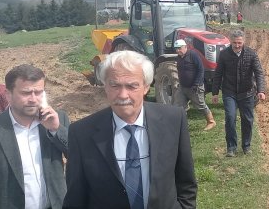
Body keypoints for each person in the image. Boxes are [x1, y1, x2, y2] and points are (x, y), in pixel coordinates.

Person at [63, 50, 197, 209]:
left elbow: (186, 183)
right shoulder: (81, 133)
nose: (123, 95)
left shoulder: (173, 120)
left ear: (146, 87)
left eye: (132, 86)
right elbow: (75, 197)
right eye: (114, 85)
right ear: (105, 86)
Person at [0, 64, 69, 209]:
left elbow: (80, 157)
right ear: (8, 95)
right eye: (26, 93)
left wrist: (56, 129)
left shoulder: (58, 119)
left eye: (38, 92)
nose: (33, 99)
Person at [211, 29, 266, 157]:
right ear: (231, 41)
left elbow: (259, 73)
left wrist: (261, 90)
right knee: (230, 118)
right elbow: (218, 73)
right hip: (229, 92)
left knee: (247, 120)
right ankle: (231, 147)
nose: (237, 45)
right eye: (235, 42)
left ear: (243, 41)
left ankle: (246, 146)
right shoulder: (224, 54)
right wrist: (214, 93)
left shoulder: (251, 54)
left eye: (239, 43)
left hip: (246, 92)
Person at [173, 39, 216, 131]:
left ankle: (211, 122)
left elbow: (201, 69)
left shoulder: (193, 55)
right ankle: (182, 125)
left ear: (185, 47)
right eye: (176, 49)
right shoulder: (179, 58)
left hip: (194, 87)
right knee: (178, 106)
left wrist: (197, 84)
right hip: (183, 87)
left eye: (179, 48)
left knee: (200, 105)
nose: (177, 50)